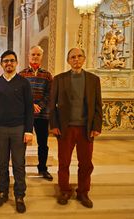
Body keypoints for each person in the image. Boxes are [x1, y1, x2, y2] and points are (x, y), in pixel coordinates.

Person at [50, 48, 102, 208]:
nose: (76, 59)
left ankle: (83, 192)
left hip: (86, 128)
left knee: (86, 163)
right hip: (66, 128)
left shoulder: (93, 79)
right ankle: (64, 190)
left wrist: (96, 126)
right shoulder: (59, 79)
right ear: (68, 60)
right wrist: (54, 125)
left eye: (79, 56)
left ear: (84, 59)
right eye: (73, 57)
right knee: (64, 162)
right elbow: (52, 105)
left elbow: (98, 105)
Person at [0, 50, 34, 213]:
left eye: (12, 61)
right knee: (2, 163)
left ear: (16, 63)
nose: (9, 63)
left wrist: (29, 130)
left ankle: (20, 195)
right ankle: (3, 192)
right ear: (1, 64)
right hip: (0, 128)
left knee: (19, 164)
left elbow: (29, 108)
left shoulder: (23, 83)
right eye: (6, 61)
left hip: (19, 129)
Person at [18, 46, 53, 181]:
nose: (35, 57)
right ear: (28, 56)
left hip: (42, 115)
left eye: (38, 54)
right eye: (33, 54)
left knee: (43, 144)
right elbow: (19, 95)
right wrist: (30, 105)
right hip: (25, 115)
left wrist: (39, 106)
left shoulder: (47, 75)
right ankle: (20, 169)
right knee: (22, 143)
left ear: (41, 56)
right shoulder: (21, 75)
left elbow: (50, 94)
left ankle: (43, 168)